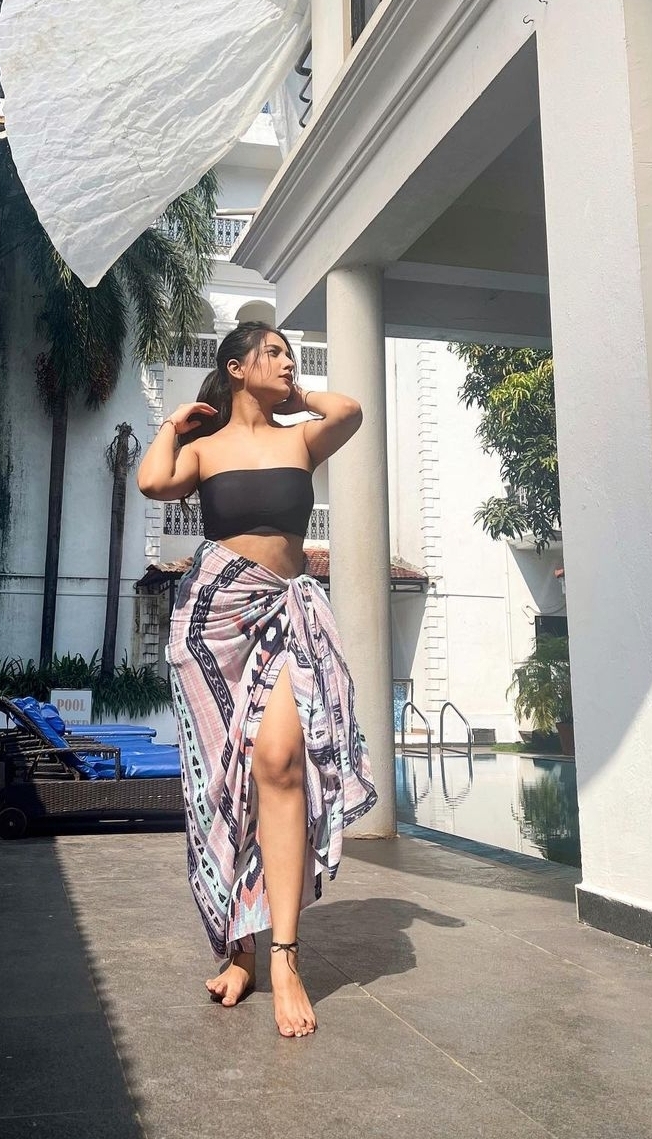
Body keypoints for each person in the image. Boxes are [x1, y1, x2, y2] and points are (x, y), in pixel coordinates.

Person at [137, 321, 377, 1038]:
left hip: (286, 612)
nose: (286, 361)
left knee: (278, 761)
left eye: (290, 354)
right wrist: (174, 423)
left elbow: (349, 411)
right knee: (224, 782)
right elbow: (152, 481)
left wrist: (298, 395)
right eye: (272, 352)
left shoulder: (300, 439)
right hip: (215, 624)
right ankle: (237, 950)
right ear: (236, 366)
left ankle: (283, 956)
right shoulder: (204, 450)